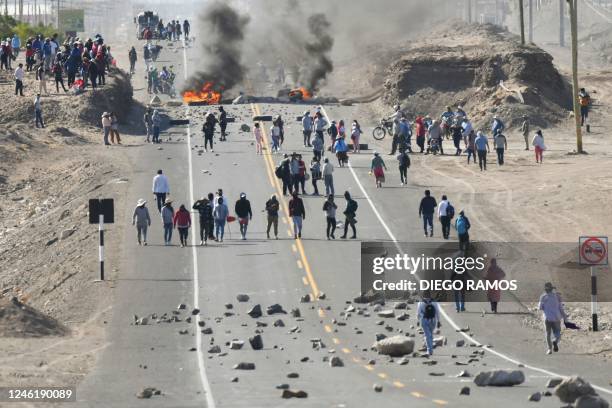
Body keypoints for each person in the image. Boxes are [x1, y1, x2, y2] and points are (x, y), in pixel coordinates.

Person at [538, 282, 568, 354]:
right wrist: (565, 317)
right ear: (552, 289)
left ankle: (549, 349)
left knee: (548, 333)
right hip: (556, 318)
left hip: (547, 318)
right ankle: (555, 341)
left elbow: (540, 308)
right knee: (557, 333)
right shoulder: (557, 296)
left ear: (545, 290)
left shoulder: (543, 297)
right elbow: (561, 308)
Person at [417, 291, 441, 356]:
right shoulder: (434, 302)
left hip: (424, 320)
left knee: (427, 335)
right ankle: (431, 349)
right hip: (433, 320)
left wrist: (418, 321)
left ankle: (429, 350)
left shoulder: (420, 302)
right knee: (430, 335)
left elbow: (419, 313)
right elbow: (437, 312)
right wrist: (439, 321)